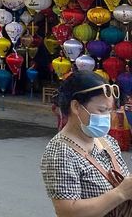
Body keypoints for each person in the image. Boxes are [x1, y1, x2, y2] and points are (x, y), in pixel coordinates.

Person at [41, 71, 132, 216]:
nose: (107, 117)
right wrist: (120, 193)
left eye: (109, 111)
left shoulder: (107, 141)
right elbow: (67, 212)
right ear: (76, 107)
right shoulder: (60, 152)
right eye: (101, 110)